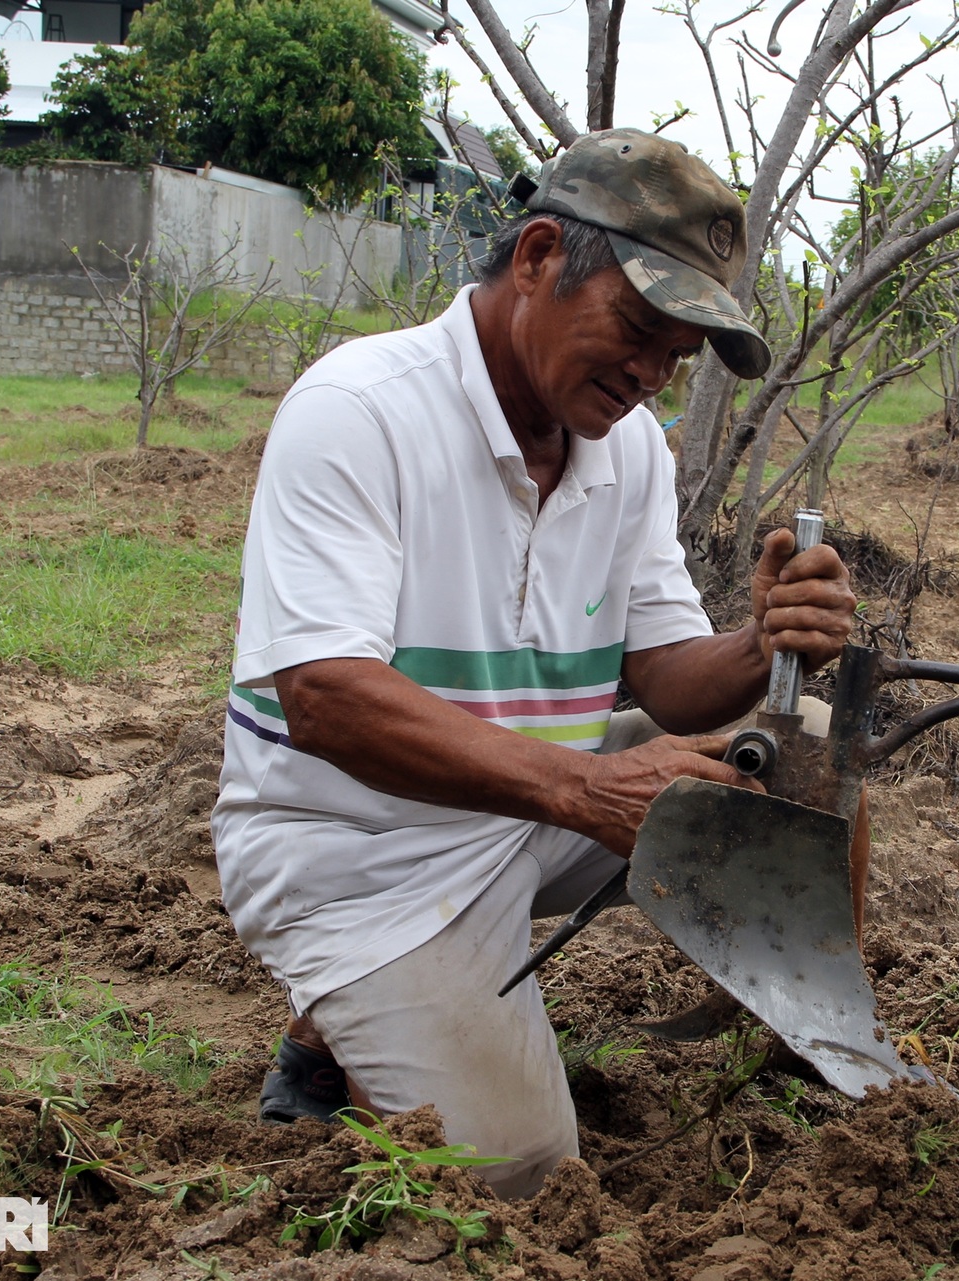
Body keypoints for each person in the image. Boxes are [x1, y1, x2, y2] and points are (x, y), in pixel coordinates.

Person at [210, 128, 860, 1199]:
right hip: (361, 851)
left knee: (809, 757)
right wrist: (583, 786)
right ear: (539, 256)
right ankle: (344, 1014)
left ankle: (805, 1044)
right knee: (518, 1172)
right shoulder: (361, 411)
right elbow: (323, 700)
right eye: (639, 328)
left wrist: (760, 641)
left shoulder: (627, 447)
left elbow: (665, 679)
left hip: (532, 811)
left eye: (677, 358)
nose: (650, 375)